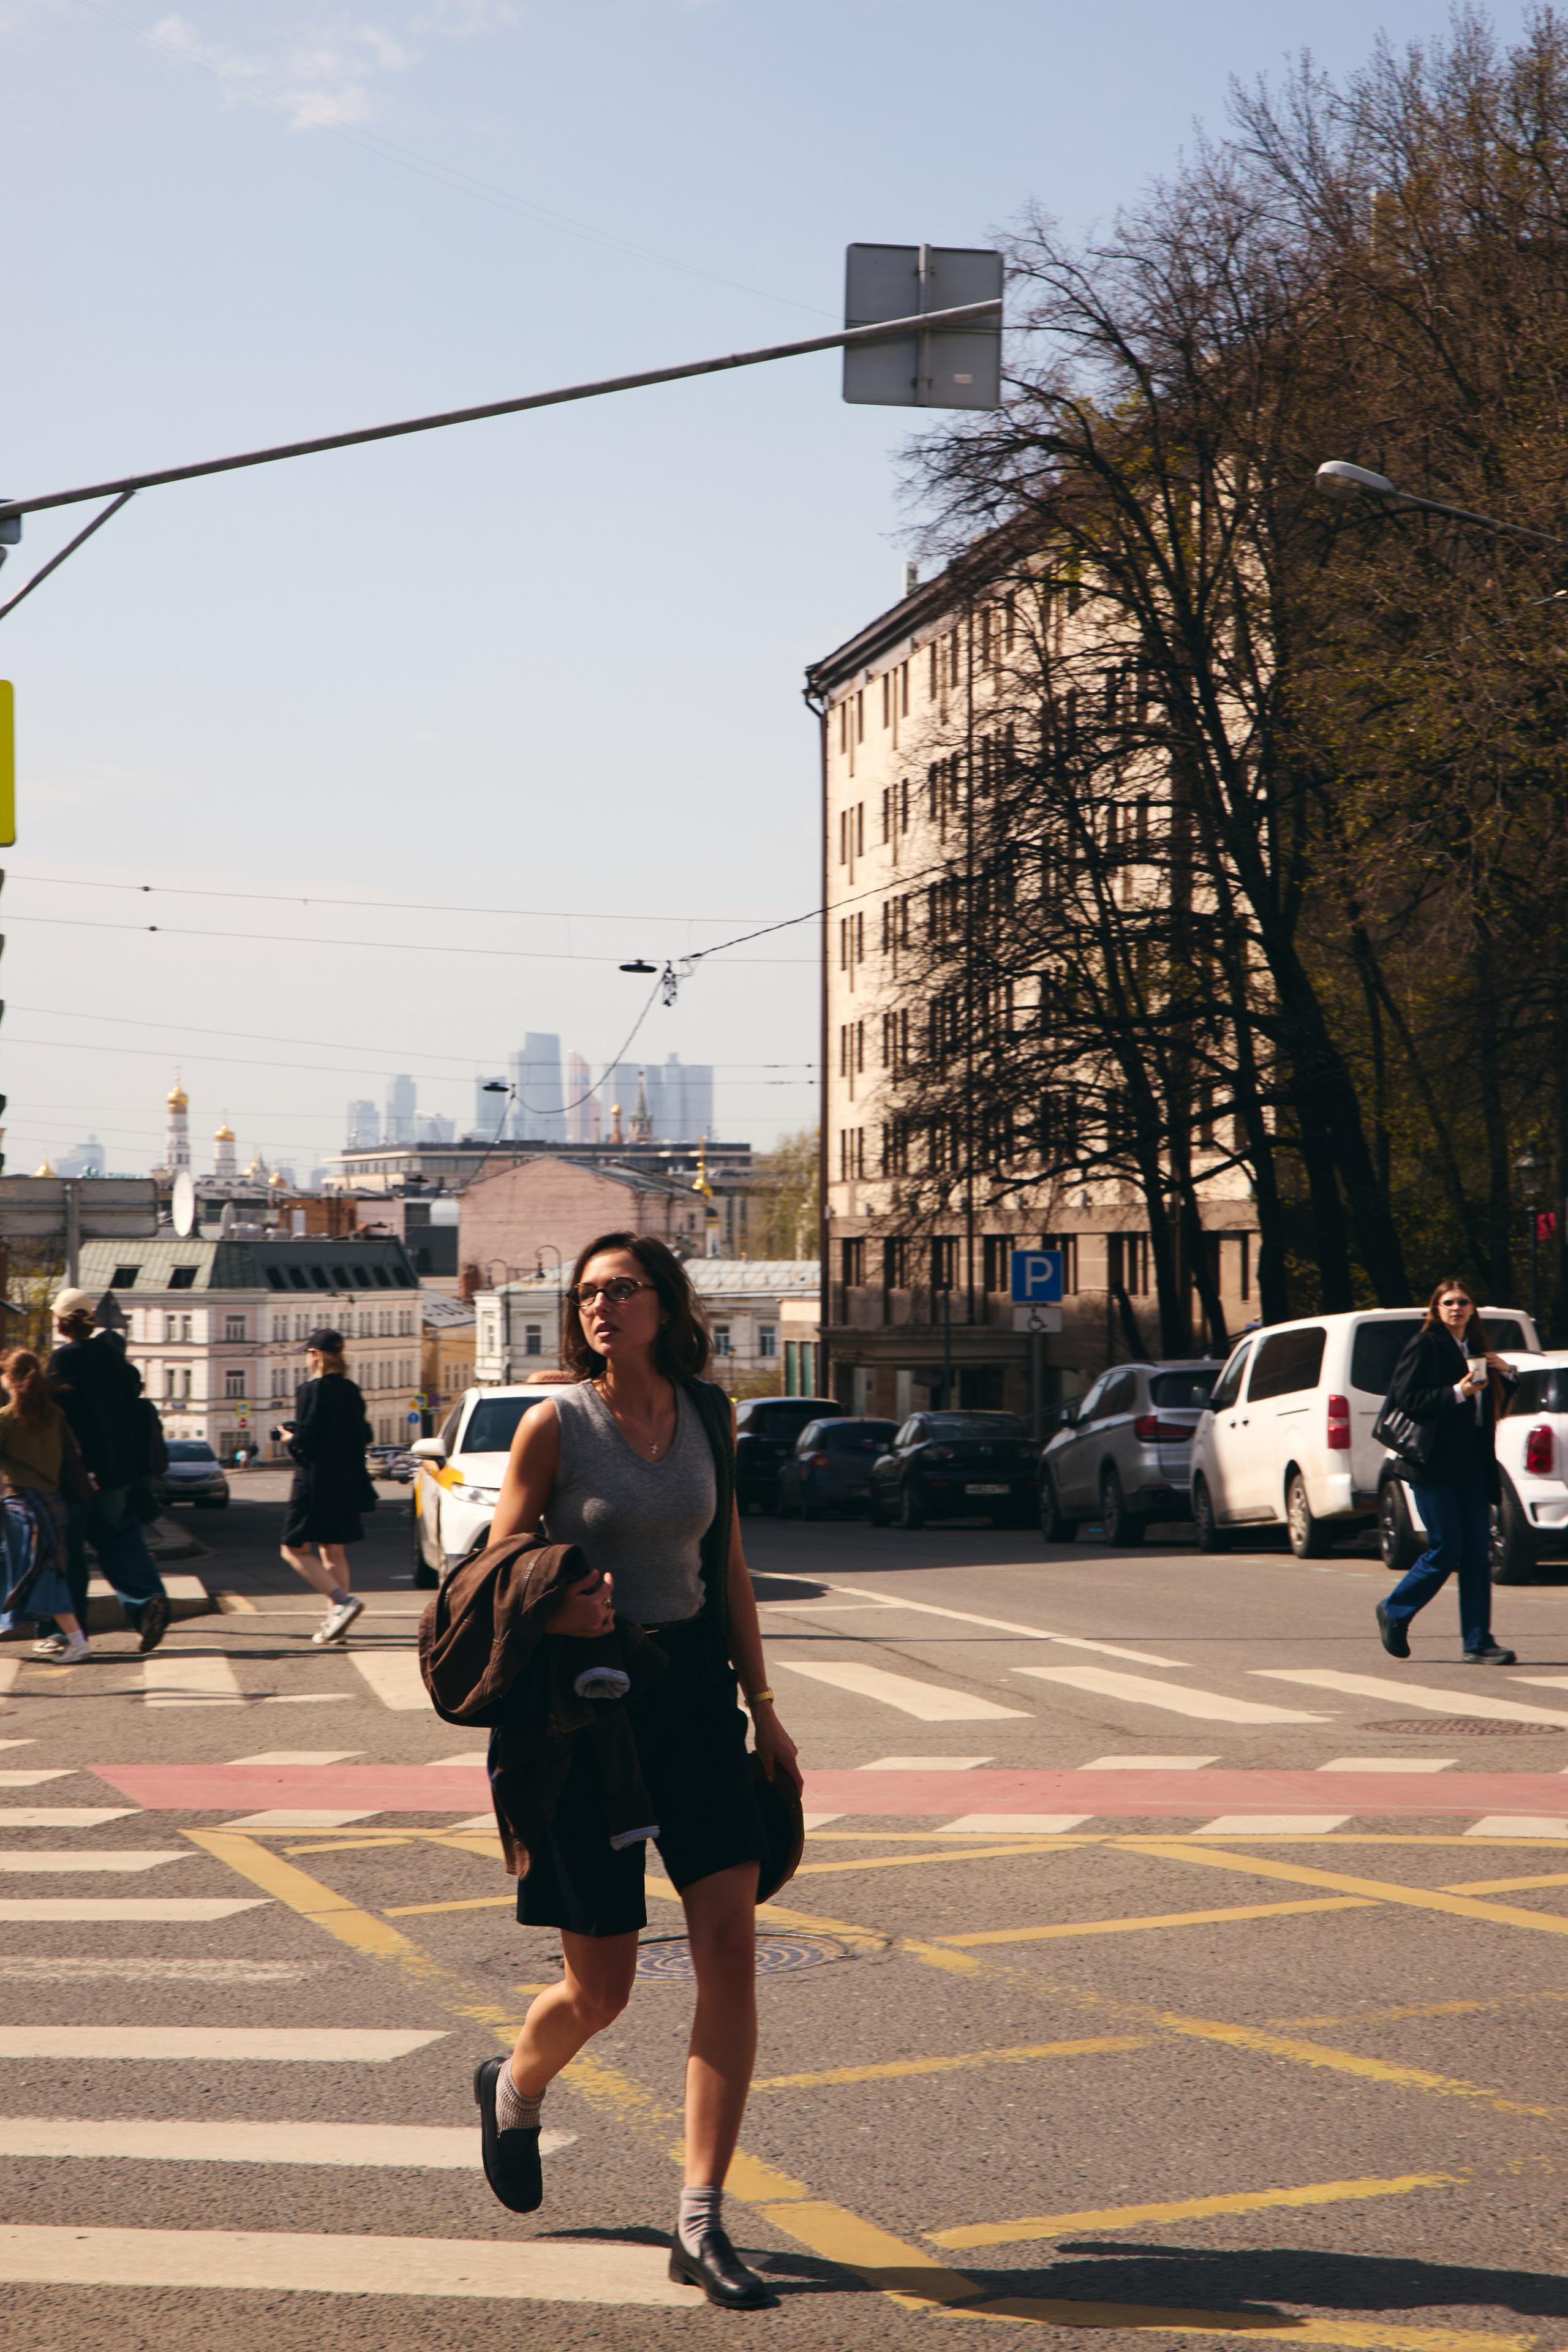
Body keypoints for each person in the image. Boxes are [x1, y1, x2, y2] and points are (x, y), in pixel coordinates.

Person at [475, 1231, 802, 2311]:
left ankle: (701, 2216)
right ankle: (515, 2087)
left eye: (623, 1289)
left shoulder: (710, 1415)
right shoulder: (552, 1424)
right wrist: (560, 1605)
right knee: (603, 1988)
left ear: (666, 1303)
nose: (602, 1306)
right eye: (588, 1295)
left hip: (695, 1703)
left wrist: (765, 1709)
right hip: (586, 1721)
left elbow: (732, 1567)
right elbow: (490, 1570)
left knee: (731, 1946)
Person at [1376, 1276, 1520, 1663]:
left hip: (1473, 1463)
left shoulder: (1475, 1349)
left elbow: (1495, 1405)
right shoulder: (1426, 1344)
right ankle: (1395, 1609)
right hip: (1433, 1464)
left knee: (1478, 1554)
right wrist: (1458, 1392)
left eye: (1463, 1302)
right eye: (1449, 1303)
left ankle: (1478, 1643)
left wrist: (1507, 1371)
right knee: (1447, 1548)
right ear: (1437, 1310)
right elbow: (1405, 1398)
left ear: (1473, 1309)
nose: (1456, 1308)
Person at [46, 1288, 170, 1659]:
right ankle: (147, 1602)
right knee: (118, 1537)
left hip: (77, 1475)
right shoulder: (113, 1358)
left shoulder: (62, 1360)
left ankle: (68, 1632)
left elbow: (56, 1419)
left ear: (63, 1321)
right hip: (117, 1473)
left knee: (69, 1551)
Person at [279, 1329, 374, 1645]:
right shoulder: (351, 1390)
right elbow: (364, 1434)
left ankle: (341, 1601)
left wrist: (288, 1438)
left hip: (315, 1482)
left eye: (308, 1353)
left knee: (292, 1548)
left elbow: (305, 1441)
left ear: (316, 1355)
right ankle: (338, 1624)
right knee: (333, 1551)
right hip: (348, 1482)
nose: (307, 1359)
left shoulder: (311, 1390)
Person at [0, 1349, 89, 1662]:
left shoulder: (7, 1419)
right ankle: (75, 1639)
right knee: (39, 1571)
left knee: (41, 1575)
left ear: (10, 1379)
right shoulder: (55, 1416)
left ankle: (78, 1641)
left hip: (23, 1509)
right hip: (53, 1505)